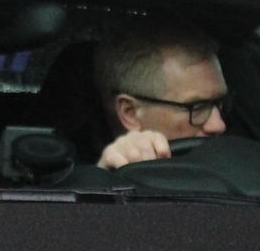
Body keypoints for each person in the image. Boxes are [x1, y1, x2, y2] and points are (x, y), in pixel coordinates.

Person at [92, 21, 231, 168]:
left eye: (220, 102)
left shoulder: (238, 159)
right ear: (130, 113)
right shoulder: (68, 177)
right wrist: (105, 178)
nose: (219, 125)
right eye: (197, 107)